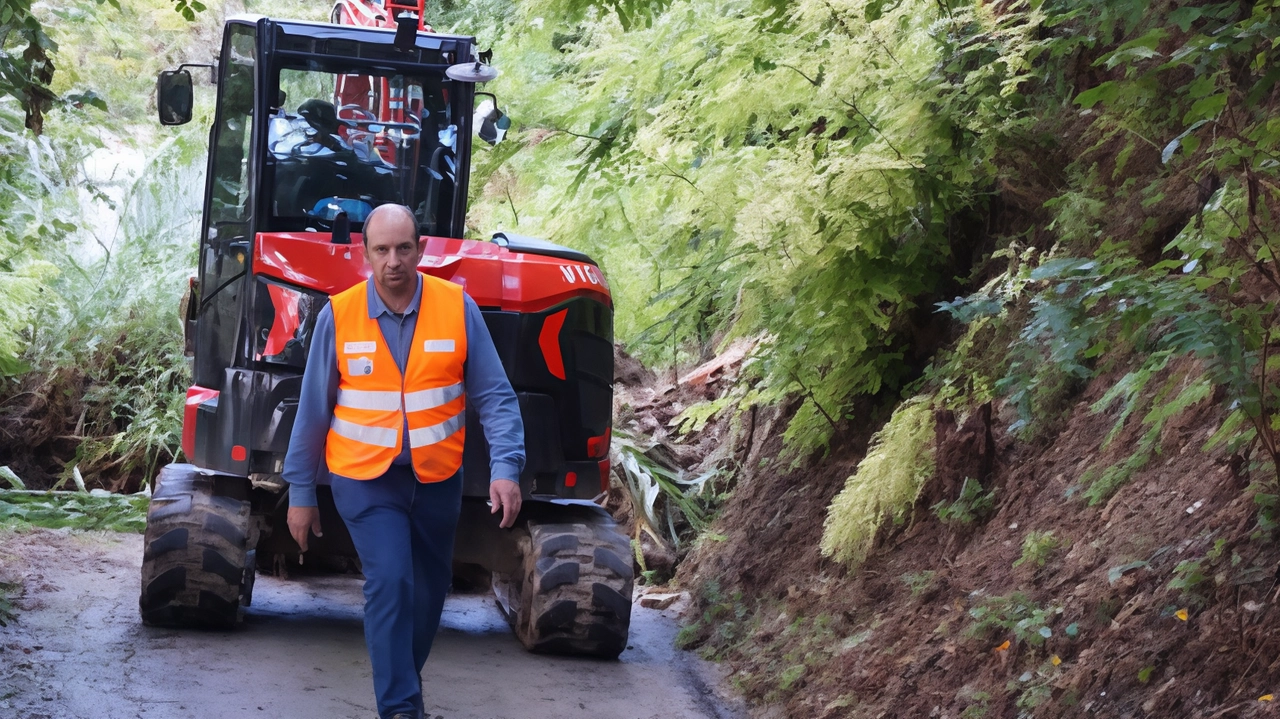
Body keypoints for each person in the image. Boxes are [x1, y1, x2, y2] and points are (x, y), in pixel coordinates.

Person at [281, 203, 525, 719]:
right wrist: (301, 495)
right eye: (382, 249)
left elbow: (495, 396)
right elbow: (312, 412)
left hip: (437, 478)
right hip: (364, 479)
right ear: (365, 254)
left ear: (422, 249)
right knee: (391, 580)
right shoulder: (340, 314)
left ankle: (401, 690)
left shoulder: (456, 308)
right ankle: (400, 710)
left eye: (404, 248)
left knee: (430, 591)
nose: (393, 260)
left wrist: (506, 468)